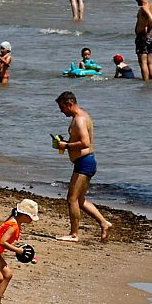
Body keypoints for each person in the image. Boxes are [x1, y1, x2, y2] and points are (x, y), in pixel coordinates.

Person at [51, 91, 112, 242]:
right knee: (79, 200)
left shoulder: (79, 119)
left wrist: (66, 145)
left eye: (62, 107)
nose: (61, 111)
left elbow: (85, 142)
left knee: (71, 199)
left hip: (85, 162)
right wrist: (66, 144)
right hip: (85, 161)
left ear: (69, 104)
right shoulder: (82, 116)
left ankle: (74, 234)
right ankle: (104, 223)